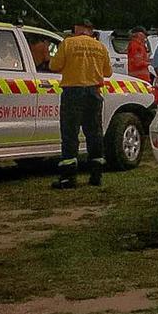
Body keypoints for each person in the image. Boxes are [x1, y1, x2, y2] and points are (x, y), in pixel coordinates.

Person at [48, 20, 112, 189]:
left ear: (76, 29)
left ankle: (68, 177)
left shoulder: (68, 43)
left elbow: (54, 66)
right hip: (94, 93)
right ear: (90, 30)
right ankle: (96, 175)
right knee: (95, 133)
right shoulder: (100, 47)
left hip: (73, 93)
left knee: (70, 134)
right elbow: (108, 72)